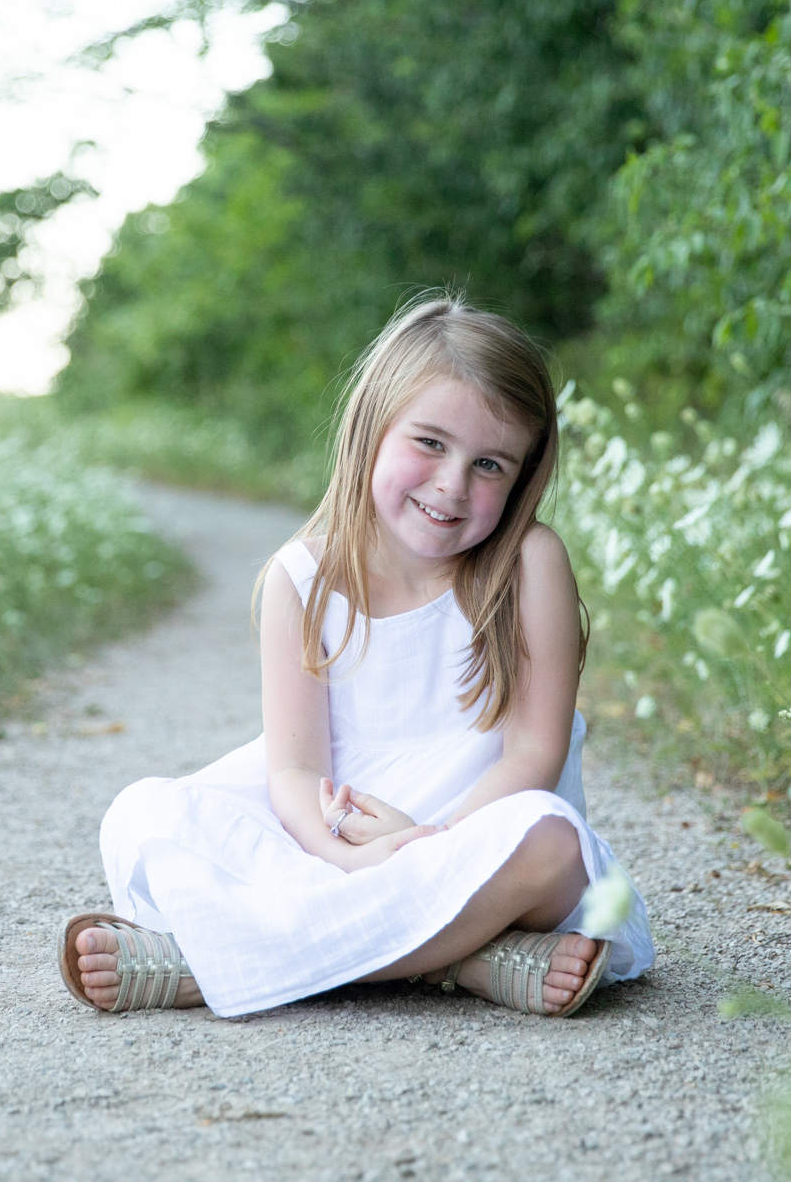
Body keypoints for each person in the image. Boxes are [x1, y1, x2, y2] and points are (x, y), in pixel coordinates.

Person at [57, 296, 653, 1018]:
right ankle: (463, 959)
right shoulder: (303, 578)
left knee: (551, 842)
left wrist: (424, 844)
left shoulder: (530, 564)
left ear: (522, 476)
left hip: (476, 838)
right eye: (430, 442)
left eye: (489, 463)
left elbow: (533, 753)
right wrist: (350, 859)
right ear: (372, 428)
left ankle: (205, 969)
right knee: (141, 814)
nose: (452, 484)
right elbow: (295, 768)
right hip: (339, 839)